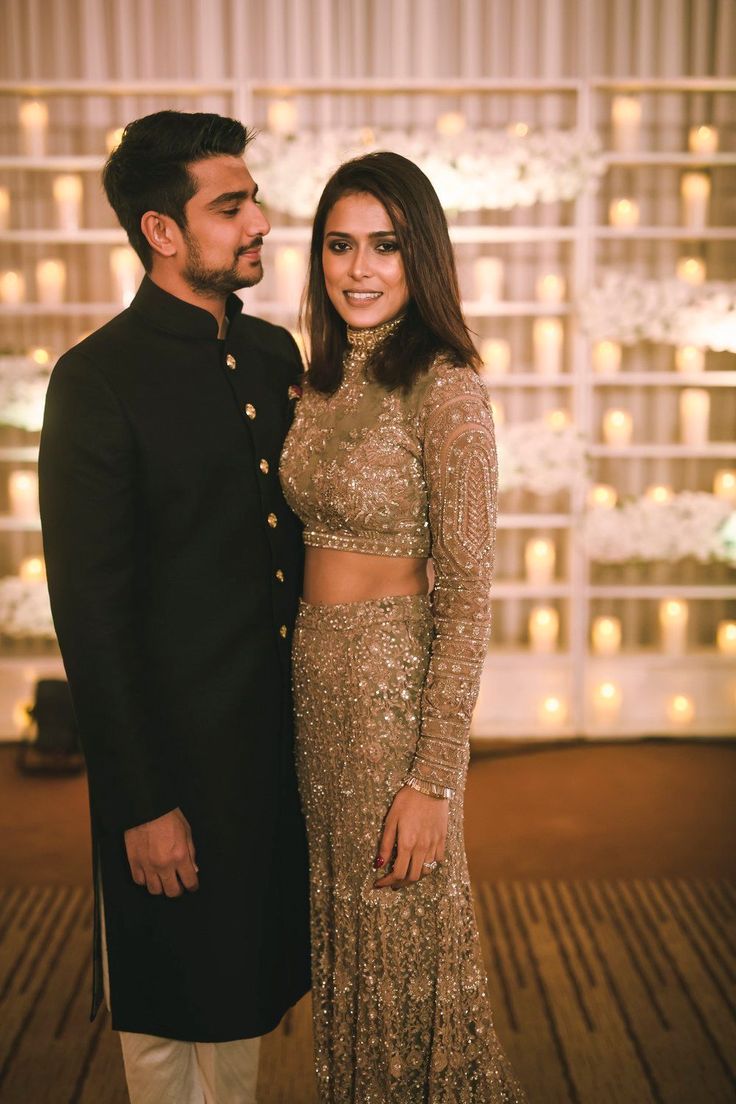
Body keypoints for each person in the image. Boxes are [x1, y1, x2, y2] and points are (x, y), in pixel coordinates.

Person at [39, 110, 310, 1104]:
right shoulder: (95, 380)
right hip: (166, 763)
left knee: (242, 995)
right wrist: (143, 800)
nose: (260, 223)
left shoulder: (277, 356)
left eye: (253, 201)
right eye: (230, 206)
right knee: (161, 1016)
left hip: (269, 752)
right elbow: (93, 620)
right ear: (163, 230)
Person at [280, 151, 527, 1103]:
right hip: (318, 698)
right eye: (340, 245)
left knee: (407, 956)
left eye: (386, 245)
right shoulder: (320, 382)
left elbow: (468, 595)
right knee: (350, 964)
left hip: (395, 708)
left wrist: (434, 779)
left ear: (422, 255)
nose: (360, 268)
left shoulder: (448, 389)